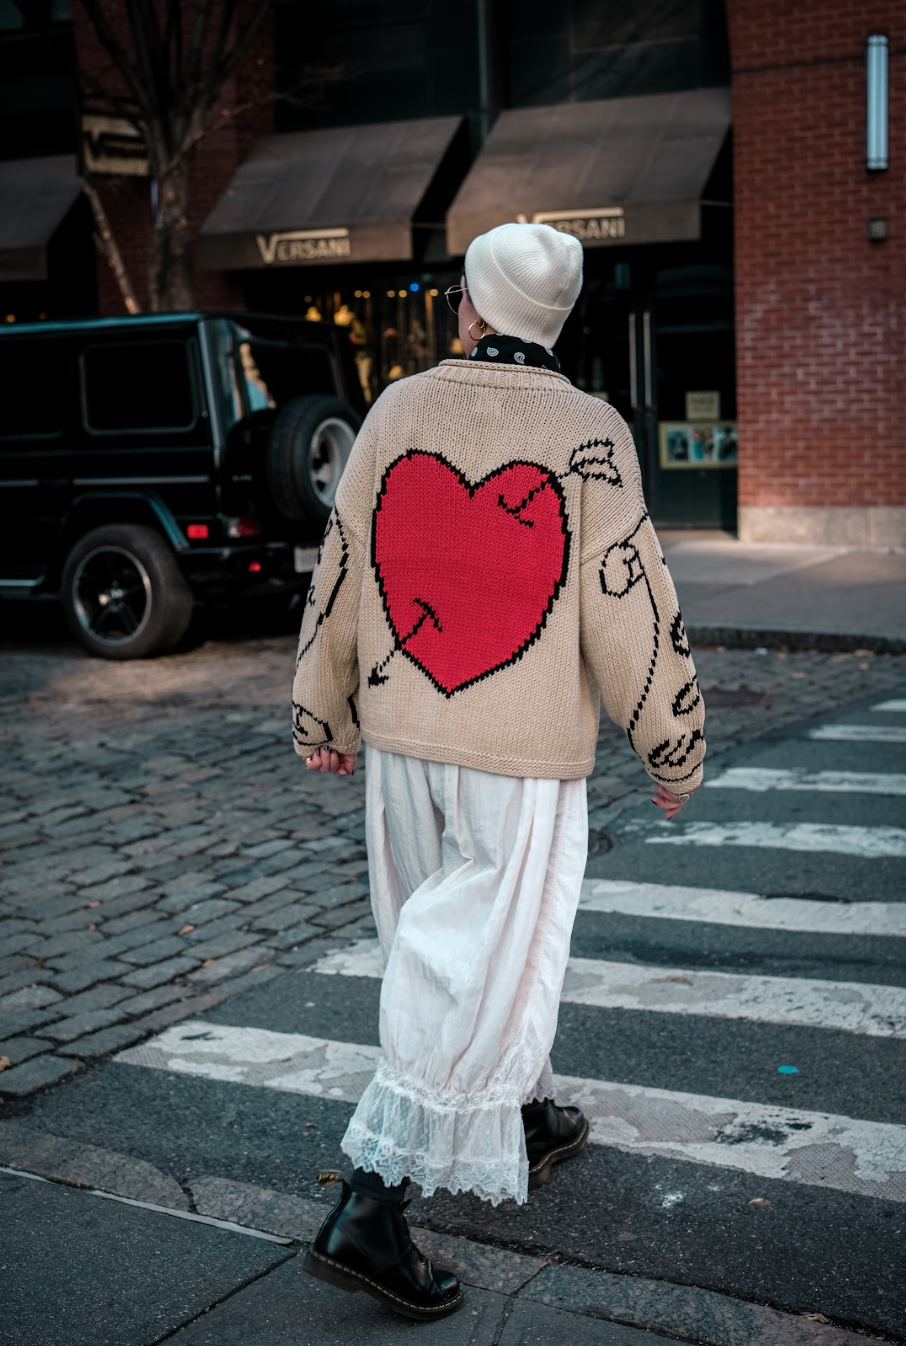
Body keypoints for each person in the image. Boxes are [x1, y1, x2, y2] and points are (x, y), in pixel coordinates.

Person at [291, 222, 706, 1322]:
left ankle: (517, 1107)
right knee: (484, 946)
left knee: (442, 936)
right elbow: (633, 598)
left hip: (402, 740)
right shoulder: (589, 430)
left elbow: (342, 566)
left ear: (469, 306)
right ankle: (373, 1202)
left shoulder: (396, 410)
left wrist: (320, 708)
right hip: (515, 753)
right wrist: (673, 742)